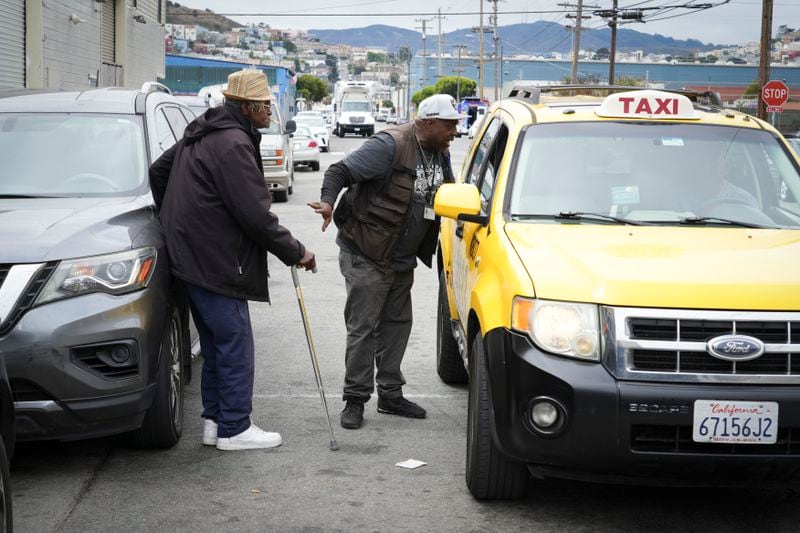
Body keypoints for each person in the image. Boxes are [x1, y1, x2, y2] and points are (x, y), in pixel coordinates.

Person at [149, 69, 316, 451]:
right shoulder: (233, 143)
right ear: (246, 107)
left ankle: (214, 421)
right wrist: (297, 252)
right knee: (235, 341)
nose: (269, 112)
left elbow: (159, 172)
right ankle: (235, 428)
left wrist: (179, 216)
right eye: (264, 106)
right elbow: (255, 214)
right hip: (215, 257)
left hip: (191, 253)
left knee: (215, 343)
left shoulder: (204, 129)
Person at [308, 94, 466, 429]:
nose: (455, 130)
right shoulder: (390, 145)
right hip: (366, 252)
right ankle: (355, 399)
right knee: (363, 329)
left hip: (400, 258)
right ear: (428, 122)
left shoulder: (440, 153)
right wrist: (326, 202)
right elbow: (340, 171)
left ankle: (391, 395)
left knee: (396, 325)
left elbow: (448, 194)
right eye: (450, 124)